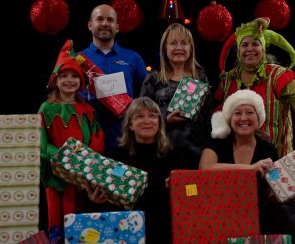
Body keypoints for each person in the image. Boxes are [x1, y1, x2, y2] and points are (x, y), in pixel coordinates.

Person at [199, 89, 295, 241]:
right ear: (229, 118)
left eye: (249, 112)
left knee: (286, 213)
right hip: (220, 215)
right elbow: (205, 168)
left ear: (258, 117)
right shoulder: (217, 142)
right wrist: (251, 168)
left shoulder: (268, 149)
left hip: (257, 217)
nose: (244, 118)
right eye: (237, 113)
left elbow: (272, 194)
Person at [214, 17, 295, 158]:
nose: (250, 49)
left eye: (256, 44)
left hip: (276, 161)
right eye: (245, 45)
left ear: (263, 49)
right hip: (240, 164)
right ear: (238, 50)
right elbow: (219, 115)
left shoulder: (278, 76)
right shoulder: (228, 80)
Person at [38, 39, 108, 243]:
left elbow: (97, 138)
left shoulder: (88, 110)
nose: (69, 80)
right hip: (56, 173)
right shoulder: (46, 109)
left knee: (80, 218)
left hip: (81, 174)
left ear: (81, 82)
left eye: (74, 76)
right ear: (55, 81)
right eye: (64, 76)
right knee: (57, 215)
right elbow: (41, 143)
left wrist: (88, 161)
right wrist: (64, 157)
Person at [105, 97, 185, 243]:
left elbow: (186, 192)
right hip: (127, 230)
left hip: (164, 229)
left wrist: (177, 187)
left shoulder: (172, 153)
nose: (147, 121)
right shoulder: (117, 155)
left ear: (159, 122)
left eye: (152, 116)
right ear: (130, 124)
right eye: (139, 116)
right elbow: (109, 195)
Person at [140, 23, 213, 169]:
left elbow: (208, 117)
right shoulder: (153, 79)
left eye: (184, 43)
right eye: (173, 43)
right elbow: (141, 117)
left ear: (190, 48)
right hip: (162, 152)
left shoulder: (200, 77)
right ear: (165, 49)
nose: (179, 47)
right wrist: (165, 120)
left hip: (196, 153)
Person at [78, 4, 148, 155]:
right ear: (90, 25)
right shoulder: (77, 60)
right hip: (87, 140)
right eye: (99, 19)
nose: (105, 23)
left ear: (117, 27)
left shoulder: (133, 58)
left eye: (110, 20)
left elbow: (146, 96)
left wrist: (133, 109)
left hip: (125, 141)